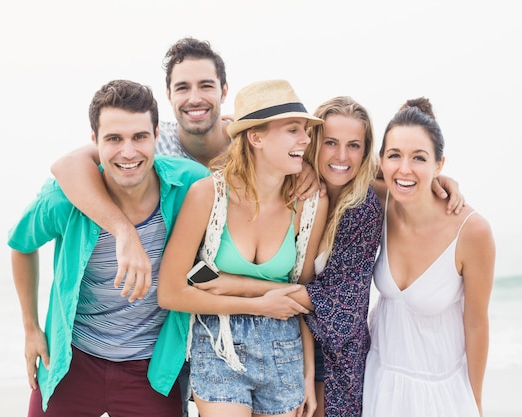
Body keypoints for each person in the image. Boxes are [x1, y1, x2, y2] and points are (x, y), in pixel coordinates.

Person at [49, 37, 320, 417]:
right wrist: (123, 232)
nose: (195, 97)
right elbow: (68, 165)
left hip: (236, 329)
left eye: (206, 85)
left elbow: (304, 288)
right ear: (169, 96)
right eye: (183, 87)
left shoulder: (261, 157)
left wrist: (301, 162)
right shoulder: (149, 150)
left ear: (224, 91)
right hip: (177, 332)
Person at [197, 96, 464, 417]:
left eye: (354, 146)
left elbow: (339, 302)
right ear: (313, 144)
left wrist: (232, 285)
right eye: (331, 143)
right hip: (285, 340)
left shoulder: (364, 208)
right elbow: (249, 146)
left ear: (366, 152)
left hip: (338, 355)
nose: (341, 156)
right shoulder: (293, 189)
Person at [8, 79, 209, 416]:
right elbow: (21, 245)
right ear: (94, 142)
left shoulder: (190, 184)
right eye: (114, 139)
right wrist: (31, 329)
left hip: (150, 368)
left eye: (139, 137)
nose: (128, 152)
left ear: (157, 135)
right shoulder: (64, 199)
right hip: (73, 361)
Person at [156, 79, 329, 417]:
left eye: (305, 130)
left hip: (285, 347)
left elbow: (303, 296)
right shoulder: (208, 195)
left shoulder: (310, 205)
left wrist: (309, 375)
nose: (306, 140)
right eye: (293, 130)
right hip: (219, 342)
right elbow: (170, 292)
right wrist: (262, 303)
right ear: (256, 137)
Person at [362, 97, 495, 417]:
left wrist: (474, 400)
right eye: (395, 155)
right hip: (380, 382)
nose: (404, 168)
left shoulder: (472, 231)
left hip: (440, 394)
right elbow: (336, 169)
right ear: (381, 160)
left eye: (419, 158)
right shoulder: (382, 202)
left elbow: (476, 324)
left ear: (440, 164)